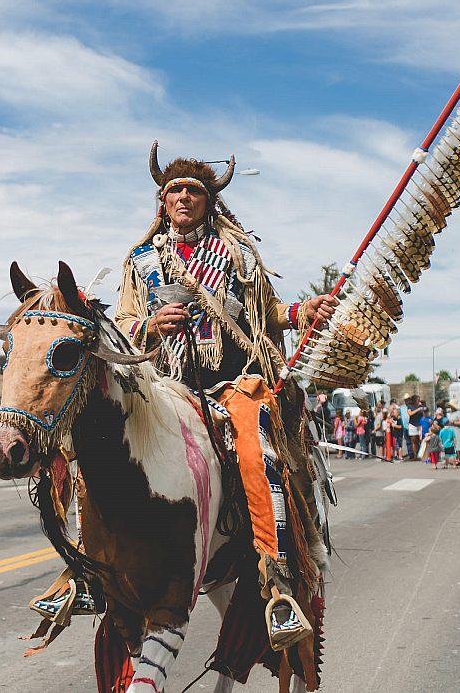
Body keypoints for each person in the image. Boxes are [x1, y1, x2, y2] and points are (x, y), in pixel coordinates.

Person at [112, 146, 337, 650]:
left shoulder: (235, 253)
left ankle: (277, 585)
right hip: (161, 387)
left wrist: (302, 311)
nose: (184, 197)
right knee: (101, 438)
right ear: (162, 202)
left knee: (262, 455)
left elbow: (265, 311)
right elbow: (122, 325)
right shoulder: (141, 260)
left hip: (231, 386)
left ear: (210, 200)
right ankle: (82, 571)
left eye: (194, 189)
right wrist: (149, 324)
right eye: (175, 190)